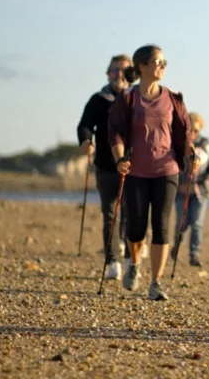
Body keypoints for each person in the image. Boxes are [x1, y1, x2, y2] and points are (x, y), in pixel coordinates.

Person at [108, 45, 198, 301]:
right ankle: (134, 263)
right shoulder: (127, 98)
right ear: (142, 66)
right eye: (158, 62)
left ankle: (156, 282)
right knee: (136, 228)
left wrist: (191, 154)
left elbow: (185, 131)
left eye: (164, 62)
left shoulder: (173, 98)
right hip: (135, 171)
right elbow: (115, 132)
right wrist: (119, 160)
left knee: (161, 225)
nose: (162, 66)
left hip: (166, 170)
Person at [76, 53, 134, 280]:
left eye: (124, 70)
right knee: (110, 214)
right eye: (114, 70)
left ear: (132, 73)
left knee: (132, 213)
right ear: (108, 73)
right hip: (105, 164)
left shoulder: (138, 99)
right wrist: (85, 140)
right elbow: (85, 125)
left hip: (133, 165)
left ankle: (130, 258)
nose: (119, 74)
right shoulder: (98, 100)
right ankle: (112, 261)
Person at [172, 112, 209, 268]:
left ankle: (194, 254)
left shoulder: (204, 144)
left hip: (200, 191)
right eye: (190, 130)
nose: (193, 133)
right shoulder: (177, 143)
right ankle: (176, 246)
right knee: (182, 223)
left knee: (197, 223)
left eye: (196, 130)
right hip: (181, 191)